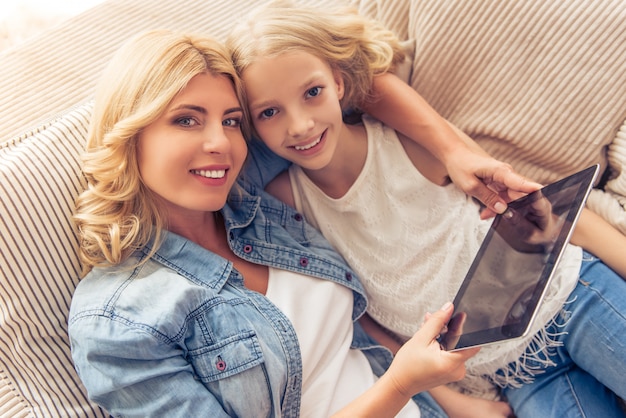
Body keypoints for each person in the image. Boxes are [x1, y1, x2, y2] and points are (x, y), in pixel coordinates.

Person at [226, 2, 626, 417]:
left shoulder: (406, 142)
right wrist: (453, 402)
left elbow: (536, 208)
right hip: (514, 374)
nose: (301, 125)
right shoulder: (281, 203)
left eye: (312, 93)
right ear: (250, 124)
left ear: (339, 84)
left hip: (570, 296)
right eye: (270, 112)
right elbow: (360, 318)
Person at [67, 29, 492, 418]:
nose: (220, 144)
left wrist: (458, 153)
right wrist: (402, 383)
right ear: (128, 134)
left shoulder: (243, 196)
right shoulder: (118, 323)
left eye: (231, 121)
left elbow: (342, 87)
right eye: (186, 120)